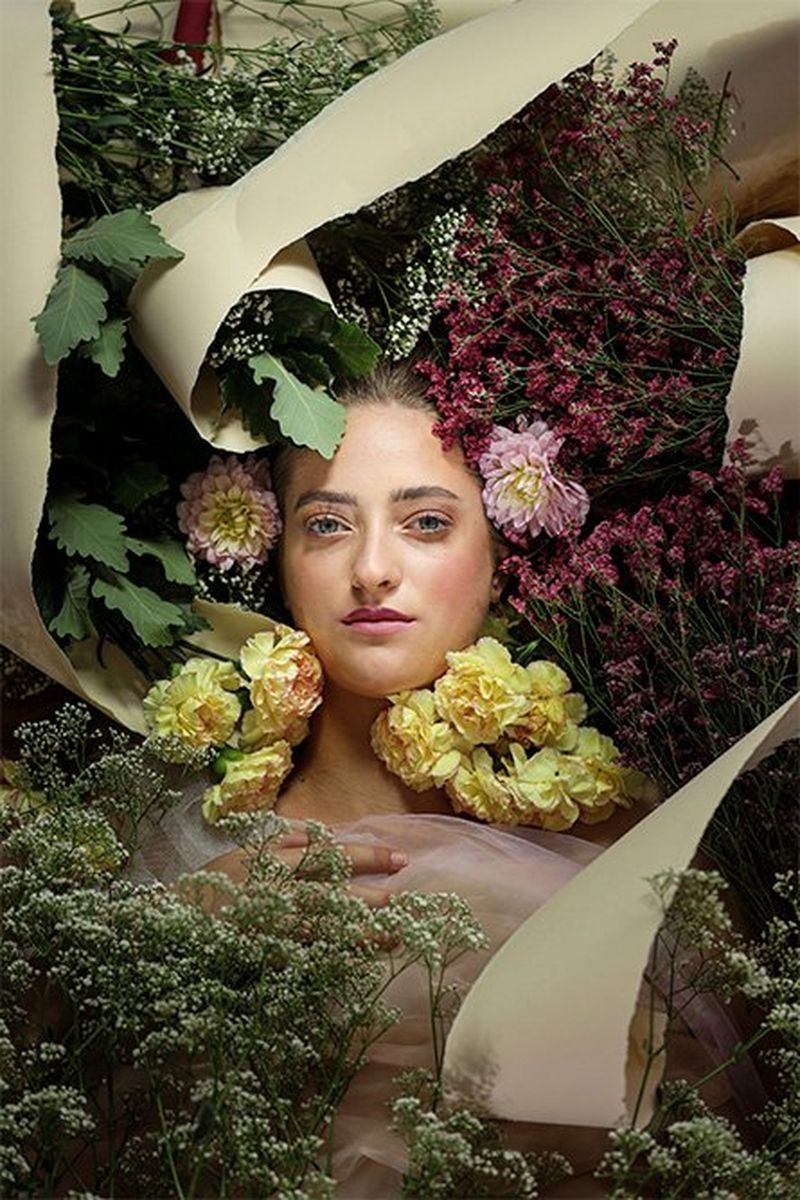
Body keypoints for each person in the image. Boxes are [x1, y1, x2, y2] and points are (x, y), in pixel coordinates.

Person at [134, 365, 760, 1197]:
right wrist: (178, 940)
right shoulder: (192, 848)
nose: (372, 569)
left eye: (426, 522)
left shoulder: (638, 848)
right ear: (279, 565)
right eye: (326, 525)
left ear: (500, 561)